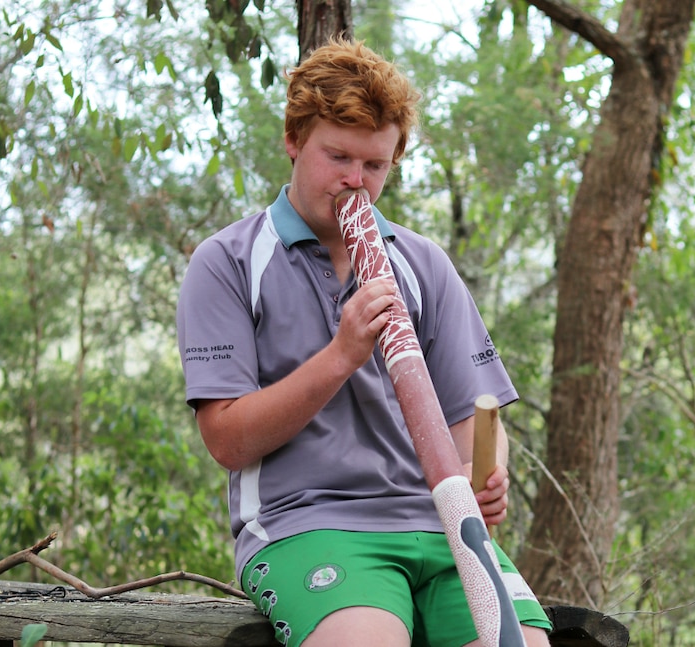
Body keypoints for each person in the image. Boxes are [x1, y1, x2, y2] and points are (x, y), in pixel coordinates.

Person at [176, 38, 552, 647]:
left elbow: (471, 415)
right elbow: (226, 439)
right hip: (307, 525)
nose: (355, 180)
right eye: (338, 157)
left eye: (374, 165)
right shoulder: (227, 262)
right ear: (294, 141)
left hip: (443, 529)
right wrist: (342, 354)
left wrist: (486, 474)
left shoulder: (422, 262)